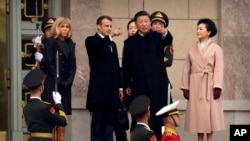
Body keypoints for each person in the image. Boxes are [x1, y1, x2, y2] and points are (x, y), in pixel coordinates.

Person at [122, 10, 173, 140]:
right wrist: (127, 83)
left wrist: (164, 32)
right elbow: (126, 65)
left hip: (158, 85)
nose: (144, 24)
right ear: (136, 23)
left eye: (146, 21)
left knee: (157, 116)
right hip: (139, 85)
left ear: (150, 23)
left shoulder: (157, 37)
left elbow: (168, 39)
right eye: (141, 22)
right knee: (139, 115)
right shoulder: (129, 43)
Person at [180, 18, 225, 141]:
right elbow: (186, 69)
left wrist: (217, 86)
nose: (197, 31)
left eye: (201, 29)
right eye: (197, 29)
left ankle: (209, 139)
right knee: (198, 116)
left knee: (210, 115)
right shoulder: (192, 49)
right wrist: (185, 87)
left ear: (209, 32)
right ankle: (199, 139)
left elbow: (219, 68)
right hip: (195, 85)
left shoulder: (216, 49)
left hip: (210, 84)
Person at [85, 15, 124, 141]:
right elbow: (97, 47)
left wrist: (120, 87)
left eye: (110, 26)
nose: (109, 28)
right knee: (97, 128)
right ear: (98, 26)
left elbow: (116, 67)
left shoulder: (112, 44)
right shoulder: (91, 40)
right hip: (98, 94)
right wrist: (111, 36)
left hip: (112, 94)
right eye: (106, 26)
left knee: (109, 128)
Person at [42, 17, 77, 141]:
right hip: (54, 83)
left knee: (63, 116)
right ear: (57, 27)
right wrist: (59, 80)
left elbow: (73, 66)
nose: (65, 29)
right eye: (62, 26)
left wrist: (69, 82)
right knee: (52, 114)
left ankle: (61, 139)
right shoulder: (51, 41)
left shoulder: (70, 43)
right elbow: (50, 63)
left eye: (67, 27)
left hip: (66, 86)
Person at [22, 69, 67, 141]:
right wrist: (58, 103)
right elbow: (63, 121)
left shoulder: (25, 108)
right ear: (41, 88)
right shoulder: (45, 107)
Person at [114, 19, 137, 141]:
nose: (133, 30)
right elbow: (125, 67)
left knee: (138, 117)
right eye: (130, 28)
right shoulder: (126, 44)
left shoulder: (144, 43)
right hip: (129, 87)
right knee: (127, 115)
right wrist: (123, 86)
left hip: (141, 86)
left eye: (135, 27)